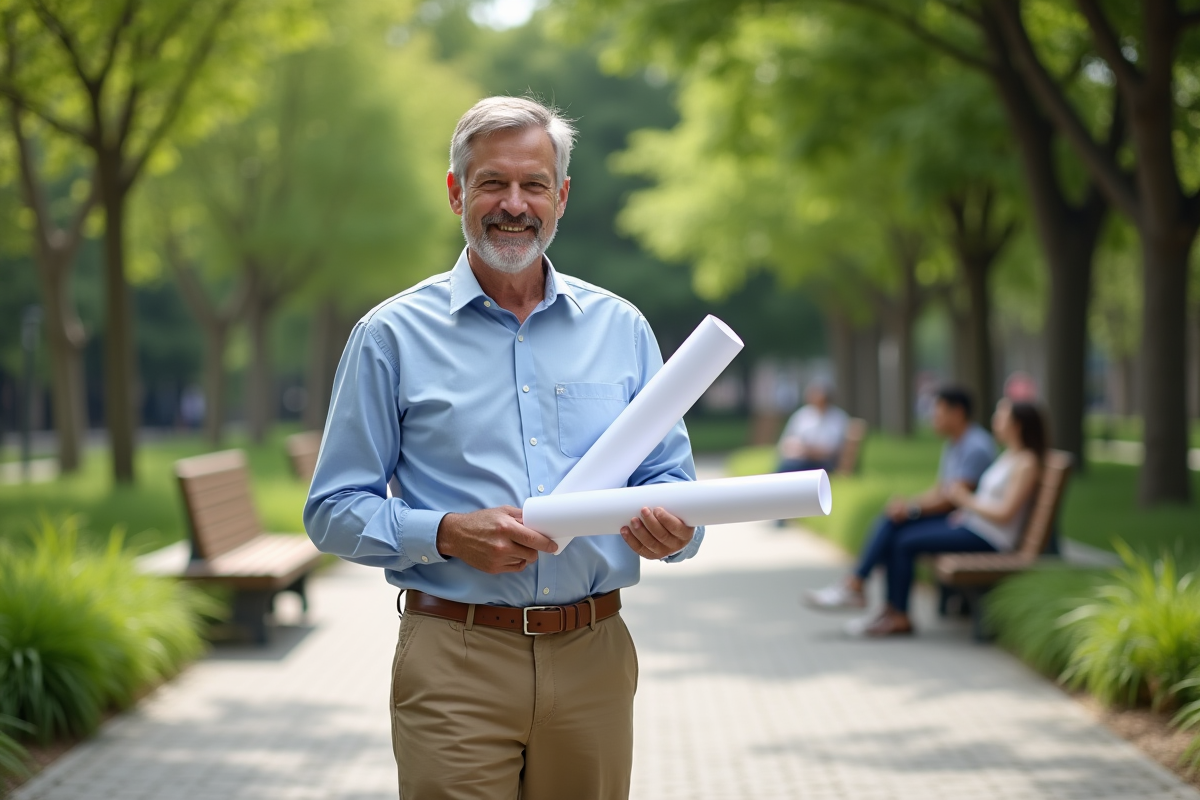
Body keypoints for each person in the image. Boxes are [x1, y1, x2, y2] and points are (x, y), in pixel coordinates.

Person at [303, 97, 704, 800]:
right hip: (454, 655)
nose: (513, 204)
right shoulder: (390, 335)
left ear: (562, 197)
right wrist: (448, 534)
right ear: (457, 191)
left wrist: (674, 533)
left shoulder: (623, 329)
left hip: (595, 656)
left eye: (533, 185)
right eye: (492, 183)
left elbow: (675, 485)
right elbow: (332, 508)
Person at [810, 398, 1046, 637]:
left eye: (1001, 416)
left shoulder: (1025, 462)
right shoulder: (1009, 456)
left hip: (990, 538)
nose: (995, 421)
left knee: (904, 541)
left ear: (1017, 424)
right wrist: (952, 507)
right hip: (971, 525)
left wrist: (965, 501)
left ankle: (890, 609)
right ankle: (885, 607)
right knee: (897, 526)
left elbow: (1005, 513)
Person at [804, 386, 994, 612]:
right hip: (961, 520)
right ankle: (873, 598)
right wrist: (907, 504)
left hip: (968, 524)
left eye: (938, 412)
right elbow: (941, 490)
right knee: (893, 520)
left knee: (901, 537)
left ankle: (875, 598)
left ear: (958, 412)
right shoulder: (957, 442)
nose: (933, 418)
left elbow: (953, 500)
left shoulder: (976, 446)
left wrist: (912, 509)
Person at [776, 378, 850, 473]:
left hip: (823, 463)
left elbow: (832, 450)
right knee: (788, 465)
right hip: (799, 458)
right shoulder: (802, 415)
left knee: (789, 467)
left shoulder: (838, 418)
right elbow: (786, 441)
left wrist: (808, 451)